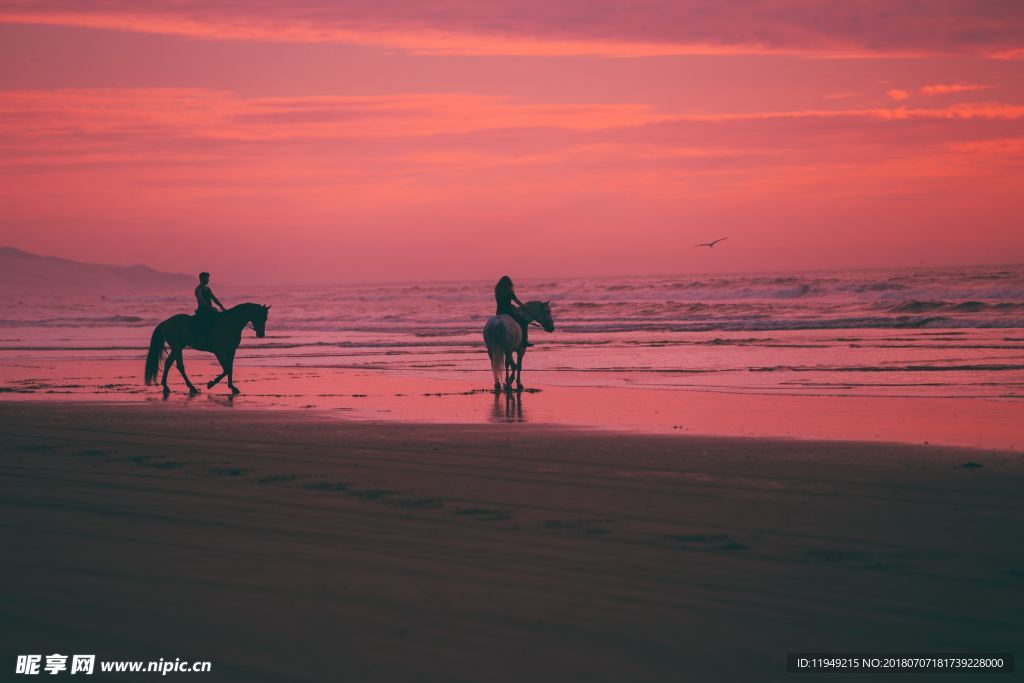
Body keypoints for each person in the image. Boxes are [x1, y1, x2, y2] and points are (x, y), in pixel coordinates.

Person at [494, 275, 532, 347]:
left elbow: (501, 302)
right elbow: (516, 300)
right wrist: (523, 305)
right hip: (508, 313)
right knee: (524, 323)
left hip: (499, 313)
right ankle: (524, 341)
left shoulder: (497, 290)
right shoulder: (509, 291)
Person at [192, 272, 226, 342]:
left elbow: (214, 298)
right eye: (206, 279)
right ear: (201, 279)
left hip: (210, 309)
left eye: (208, 279)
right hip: (203, 310)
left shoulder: (208, 288)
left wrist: (221, 306)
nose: (208, 280)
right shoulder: (198, 289)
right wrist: (211, 307)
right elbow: (201, 301)